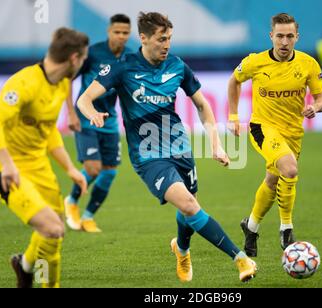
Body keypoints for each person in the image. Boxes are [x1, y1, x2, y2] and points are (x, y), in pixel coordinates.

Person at [77, 12, 257, 283]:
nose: (166, 45)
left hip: (179, 148)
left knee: (190, 205)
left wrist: (216, 146)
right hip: (148, 156)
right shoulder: (123, 66)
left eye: (169, 39)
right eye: (161, 39)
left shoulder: (176, 65)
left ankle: (181, 250)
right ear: (144, 38)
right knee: (188, 204)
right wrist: (91, 112)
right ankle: (241, 259)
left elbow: (202, 105)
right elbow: (84, 99)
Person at [0, 28, 89, 288]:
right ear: (74, 58)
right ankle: (32, 273)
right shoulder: (24, 83)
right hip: (5, 169)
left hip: (38, 167)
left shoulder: (62, 82)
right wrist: (7, 164)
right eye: (83, 59)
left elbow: (48, 129)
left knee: (54, 235)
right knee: (52, 228)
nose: (84, 64)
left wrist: (70, 169)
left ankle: (25, 266)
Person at [227, 13, 322, 257]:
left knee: (273, 181)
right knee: (290, 170)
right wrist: (233, 116)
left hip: (292, 132)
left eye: (289, 36)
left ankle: (250, 227)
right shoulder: (255, 62)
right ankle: (286, 228)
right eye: (280, 36)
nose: (284, 42)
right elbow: (234, 81)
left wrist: (314, 107)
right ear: (271, 36)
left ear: (297, 37)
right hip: (262, 127)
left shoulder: (308, 64)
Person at [64, 14, 133, 233]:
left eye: (125, 33)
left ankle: (88, 217)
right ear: (108, 31)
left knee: (110, 171)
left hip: (109, 118)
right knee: (93, 169)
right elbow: (67, 79)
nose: (121, 36)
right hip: (86, 115)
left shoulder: (131, 56)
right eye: (117, 32)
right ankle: (72, 201)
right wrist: (71, 114)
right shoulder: (93, 53)